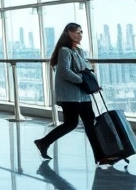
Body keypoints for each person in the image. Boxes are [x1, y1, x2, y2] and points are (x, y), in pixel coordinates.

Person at [34, 23, 116, 166]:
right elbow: (65, 72)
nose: (80, 35)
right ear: (69, 33)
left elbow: (85, 70)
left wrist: (92, 84)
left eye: (81, 32)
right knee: (71, 124)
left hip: (82, 95)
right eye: (78, 32)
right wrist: (82, 81)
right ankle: (43, 142)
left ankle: (100, 156)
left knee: (89, 124)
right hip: (70, 95)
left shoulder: (79, 51)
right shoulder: (64, 51)